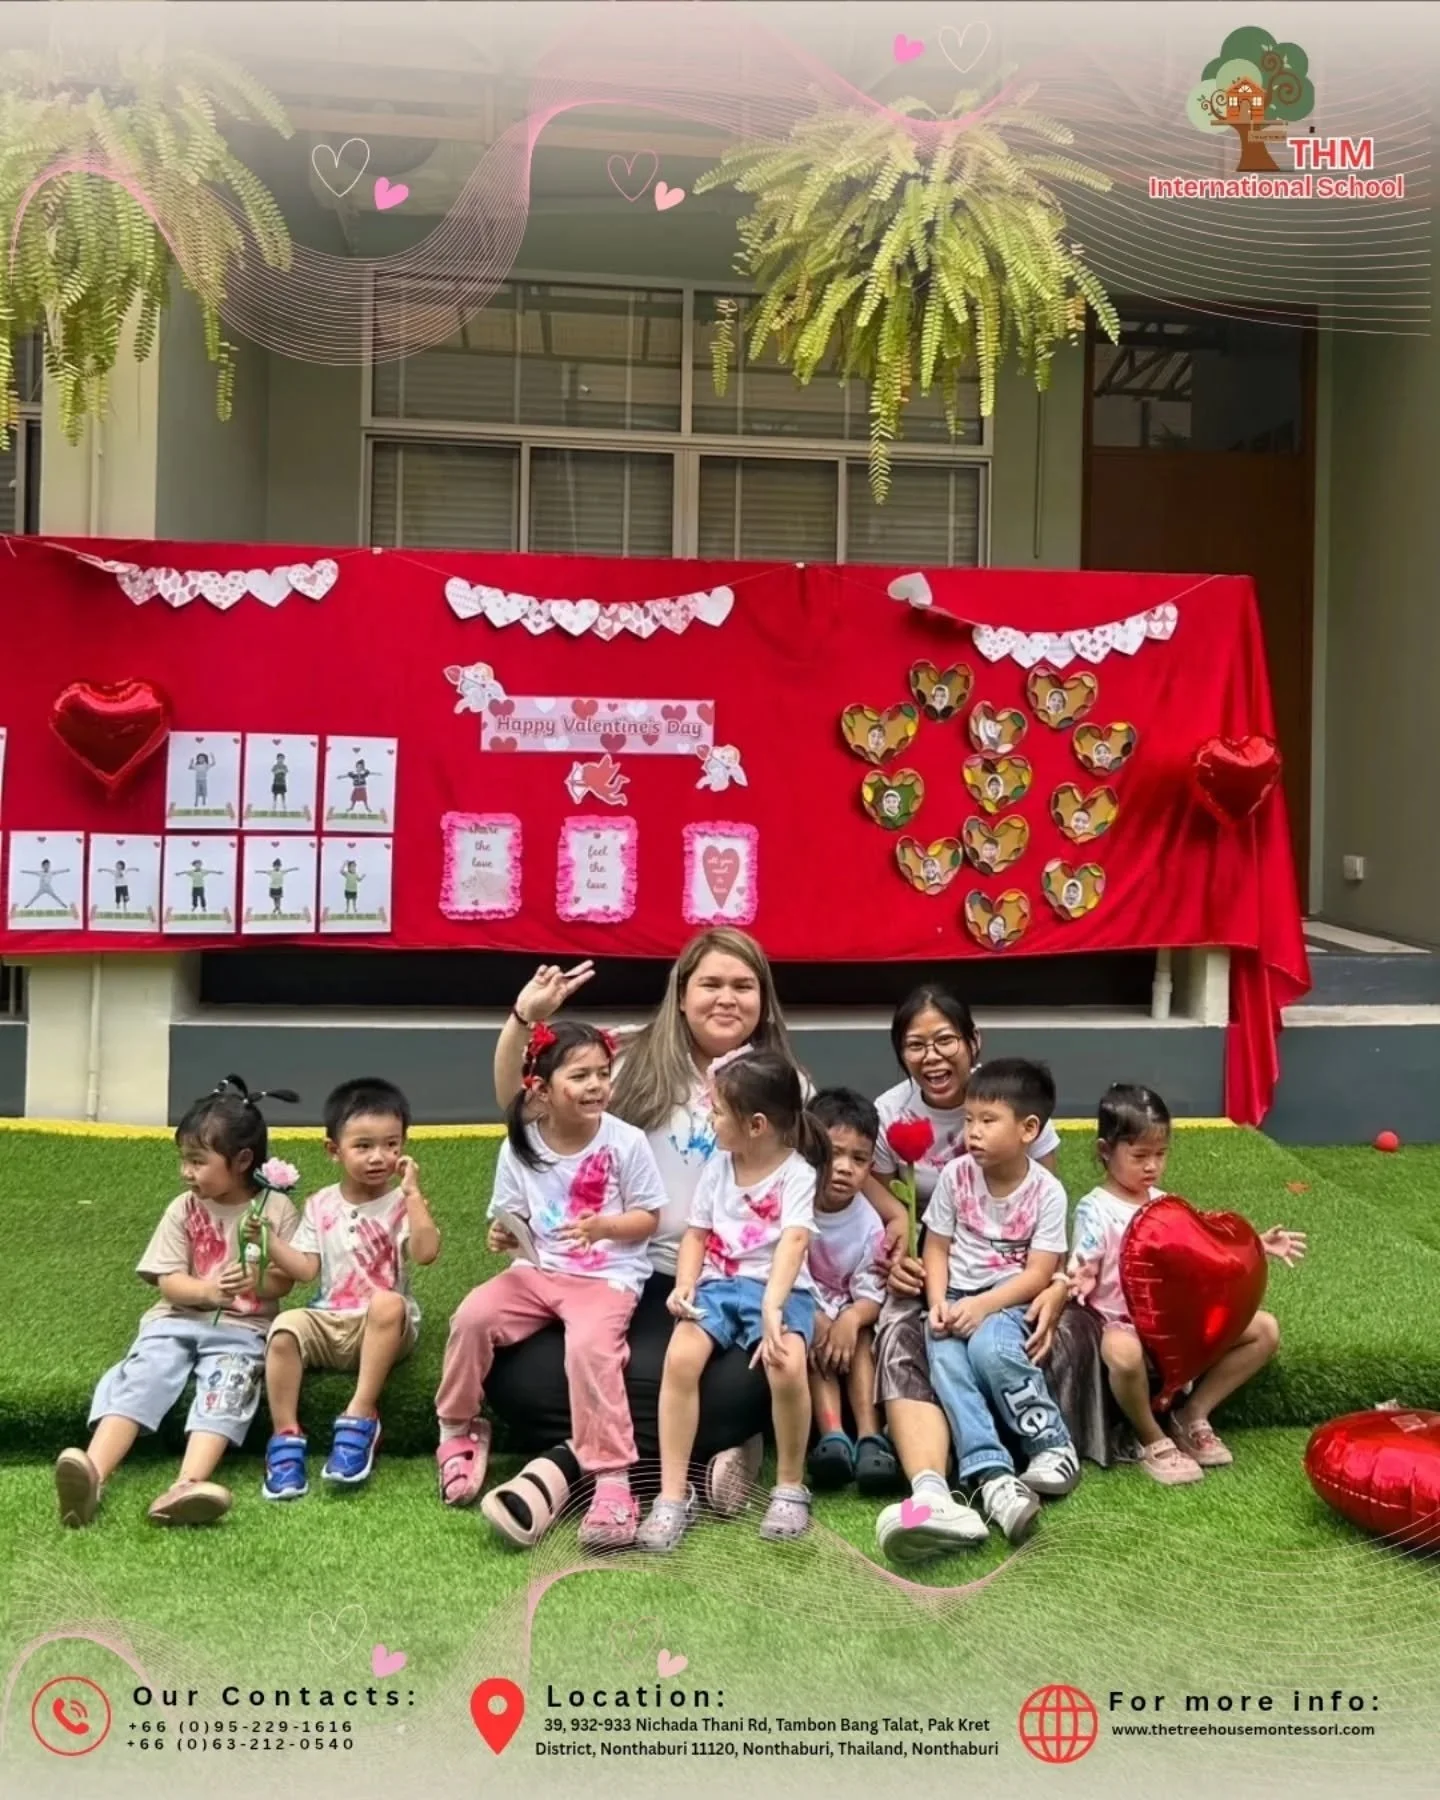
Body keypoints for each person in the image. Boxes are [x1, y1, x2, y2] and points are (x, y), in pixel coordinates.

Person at [483, 934, 910, 1537]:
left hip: (743, 1281)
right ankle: (703, 1461)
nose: (727, 999)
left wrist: (893, 1214)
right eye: (710, 984)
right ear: (681, 995)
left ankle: (565, 1467)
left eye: (743, 986)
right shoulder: (628, 1060)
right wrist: (524, 1020)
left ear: (765, 1000)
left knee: (750, 1381)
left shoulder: (787, 1084)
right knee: (521, 1377)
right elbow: (519, 1109)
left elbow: (823, 1161)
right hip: (630, 1271)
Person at [867, 984, 1108, 1563]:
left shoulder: (1014, 1104)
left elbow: (1045, 1227)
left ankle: (1048, 1447)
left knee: (995, 1345)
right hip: (941, 1270)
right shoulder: (895, 1115)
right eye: (915, 1044)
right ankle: (952, 1484)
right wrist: (900, 1219)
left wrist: (1050, 1285)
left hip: (1013, 1276)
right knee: (918, 1340)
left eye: (945, 1040)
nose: (931, 1055)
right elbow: (879, 1186)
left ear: (974, 1042)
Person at [440, 1020, 667, 1551]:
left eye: (603, 1074)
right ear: (541, 1089)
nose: (596, 1086)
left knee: (589, 1349)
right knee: (472, 1316)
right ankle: (458, 1428)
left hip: (607, 1276)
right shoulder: (520, 1146)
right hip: (537, 1270)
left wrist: (602, 1227)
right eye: (580, 1075)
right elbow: (509, 1218)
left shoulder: (624, 1141)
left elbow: (648, 1218)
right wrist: (502, 1234)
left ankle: (611, 1478)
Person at [54, 1076, 299, 1528]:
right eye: (184, 1161)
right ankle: (93, 1473)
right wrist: (207, 1291)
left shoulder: (275, 1209)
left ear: (242, 1160)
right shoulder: (182, 1208)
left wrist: (258, 1280)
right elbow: (168, 1282)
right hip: (174, 1320)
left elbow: (284, 1283)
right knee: (144, 1375)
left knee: (226, 1387)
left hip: (243, 1331)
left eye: (197, 1161)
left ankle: (186, 1486)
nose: (186, 1172)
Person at [1068, 1084, 1307, 1484]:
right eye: (1139, 1155)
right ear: (1105, 1151)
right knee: (1122, 1352)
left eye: (1161, 1154)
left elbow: (1206, 1251)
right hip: (1121, 1324)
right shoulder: (1095, 1208)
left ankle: (1191, 1414)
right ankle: (1151, 1436)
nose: (1152, 1166)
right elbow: (1084, 1261)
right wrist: (1075, 1276)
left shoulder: (1165, 1203)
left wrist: (1256, 1246)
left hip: (1174, 1328)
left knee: (1265, 1330)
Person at [636, 1050, 825, 1550]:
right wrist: (686, 1283)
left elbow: (794, 1242)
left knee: (786, 1365)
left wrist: (774, 1309)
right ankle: (672, 1494)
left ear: (757, 1124)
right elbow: (697, 1234)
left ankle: (789, 1484)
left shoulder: (797, 1175)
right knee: (680, 1358)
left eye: (718, 1112)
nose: (710, 1120)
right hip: (719, 1287)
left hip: (780, 1291)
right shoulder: (719, 1167)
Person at [255, 1078, 440, 1501]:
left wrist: (413, 1195)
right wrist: (268, 1240)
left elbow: (427, 1252)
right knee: (284, 1326)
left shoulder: (400, 1203)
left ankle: (360, 1414)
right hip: (330, 1317)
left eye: (391, 1145)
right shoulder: (320, 1204)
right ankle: (285, 1436)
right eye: (363, 1146)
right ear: (333, 1150)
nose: (379, 1157)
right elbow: (304, 1270)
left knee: (388, 1302)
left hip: (383, 1328)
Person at [921, 1059, 1081, 1548]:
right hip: (953, 1297)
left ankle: (1051, 1444)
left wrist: (985, 1306)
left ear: (1029, 1129)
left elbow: (1037, 1273)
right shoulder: (955, 1176)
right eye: (969, 1120)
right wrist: (936, 1304)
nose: (973, 1132)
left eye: (988, 1121)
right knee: (947, 1363)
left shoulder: (1047, 1192)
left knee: (991, 1350)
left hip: (1008, 1301)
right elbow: (936, 1247)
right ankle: (991, 1472)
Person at [803, 1088, 888, 1491]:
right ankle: (832, 1436)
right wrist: (816, 1316)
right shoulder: (794, 1206)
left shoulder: (869, 1223)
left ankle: (870, 1438)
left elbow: (871, 1289)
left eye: (858, 1159)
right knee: (810, 1342)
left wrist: (851, 1319)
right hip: (804, 1307)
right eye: (834, 1153)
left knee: (861, 1340)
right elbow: (781, 1274)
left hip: (849, 1311)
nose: (844, 1168)